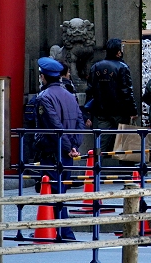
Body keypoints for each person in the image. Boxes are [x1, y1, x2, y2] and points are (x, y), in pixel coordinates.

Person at [35, 56, 85, 241]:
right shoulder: (70, 96)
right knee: (60, 190)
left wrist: (67, 146)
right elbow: (80, 122)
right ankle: (59, 229)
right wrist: (74, 145)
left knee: (52, 190)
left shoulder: (44, 97)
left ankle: (62, 230)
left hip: (52, 149)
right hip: (68, 150)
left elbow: (54, 126)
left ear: (44, 77)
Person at [86, 38, 137, 156]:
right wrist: (133, 110)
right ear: (118, 52)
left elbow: (90, 90)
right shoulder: (122, 67)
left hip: (102, 111)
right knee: (124, 143)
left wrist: (88, 113)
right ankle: (126, 171)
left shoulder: (95, 67)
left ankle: (96, 167)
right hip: (120, 111)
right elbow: (127, 91)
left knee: (101, 143)